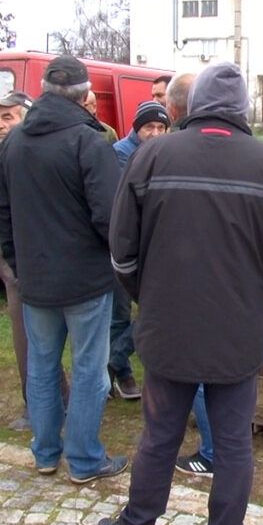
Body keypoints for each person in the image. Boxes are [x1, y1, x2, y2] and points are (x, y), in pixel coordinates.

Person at [99, 62, 263, 525]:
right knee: (234, 440)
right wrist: (260, 298)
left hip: (167, 326)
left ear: (192, 107)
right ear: (243, 109)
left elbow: (122, 251)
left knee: (159, 434)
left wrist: (149, 296)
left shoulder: (151, 157)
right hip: (238, 331)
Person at [0, 54, 128, 483]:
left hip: (37, 279)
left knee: (42, 366)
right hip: (86, 280)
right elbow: (110, 217)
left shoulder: (14, 142)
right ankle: (84, 460)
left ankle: (46, 453)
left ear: (46, 92)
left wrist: (16, 262)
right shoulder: (90, 142)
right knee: (89, 370)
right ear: (85, 96)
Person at [0, 90, 70, 430]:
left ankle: (64, 405)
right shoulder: (5, 154)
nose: (0, 125)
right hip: (17, 263)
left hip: (53, 263)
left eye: (8, 117)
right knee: (26, 339)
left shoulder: (39, 154)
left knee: (56, 338)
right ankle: (37, 404)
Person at [162, 71, 215, 477]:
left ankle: (211, 453)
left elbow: (127, 240)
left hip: (183, 286)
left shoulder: (162, 154)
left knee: (193, 373)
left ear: (174, 109)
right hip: (223, 288)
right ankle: (217, 449)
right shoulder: (251, 156)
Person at [105, 101, 171, 401]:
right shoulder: (119, 155)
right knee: (119, 312)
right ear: (136, 128)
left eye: (161, 128)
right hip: (126, 245)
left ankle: (113, 361)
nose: (155, 133)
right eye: (149, 127)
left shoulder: (168, 152)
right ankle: (121, 372)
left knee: (152, 311)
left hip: (157, 247)